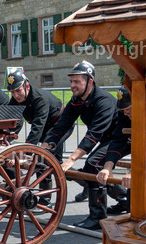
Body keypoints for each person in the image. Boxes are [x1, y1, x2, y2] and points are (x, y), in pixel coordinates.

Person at [43, 61, 119, 230]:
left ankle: (97, 216)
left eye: (77, 81)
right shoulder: (77, 100)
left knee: (92, 164)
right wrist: (45, 145)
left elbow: (93, 135)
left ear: (90, 81)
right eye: (71, 81)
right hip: (105, 138)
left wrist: (71, 159)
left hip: (119, 139)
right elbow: (61, 125)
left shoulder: (104, 100)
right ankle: (122, 196)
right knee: (85, 171)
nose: (72, 85)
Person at [4, 68, 69, 161]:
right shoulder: (16, 98)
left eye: (18, 90)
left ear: (27, 86)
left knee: (44, 159)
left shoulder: (39, 99)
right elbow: (8, 115)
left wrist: (26, 150)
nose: (16, 95)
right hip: (47, 125)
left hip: (60, 124)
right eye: (12, 92)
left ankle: (71, 174)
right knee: (48, 162)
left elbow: (37, 126)